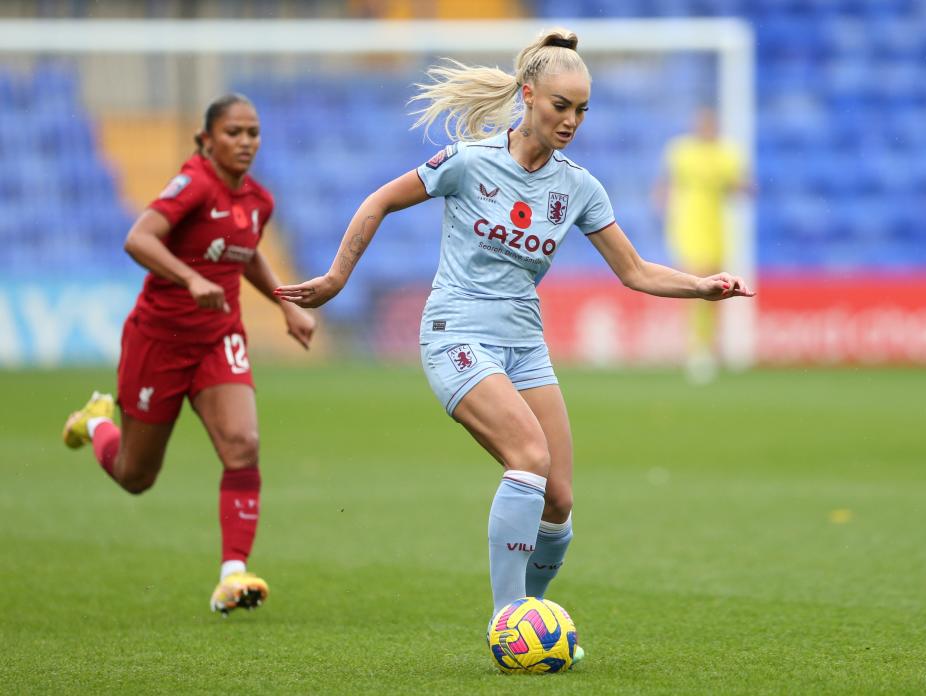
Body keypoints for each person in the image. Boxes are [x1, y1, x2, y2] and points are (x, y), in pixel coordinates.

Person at [275, 28, 753, 660]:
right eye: (561, 105)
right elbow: (380, 201)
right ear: (528, 95)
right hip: (456, 333)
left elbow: (634, 270)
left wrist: (701, 287)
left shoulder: (579, 186)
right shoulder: (469, 162)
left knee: (559, 501)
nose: (572, 121)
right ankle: (510, 624)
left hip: (524, 343)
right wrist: (337, 276)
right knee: (528, 455)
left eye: (583, 110)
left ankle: (532, 616)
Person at [62, 93, 316, 615]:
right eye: (233, 133)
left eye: (253, 133)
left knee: (243, 443)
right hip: (159, 341)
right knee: (136, 476)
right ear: (206, 140)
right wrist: (189, 276)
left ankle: (232, 574)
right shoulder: (193, 185)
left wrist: (286, 304)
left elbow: (245, 254)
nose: (245, 142)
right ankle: (96, 423)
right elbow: (139, 239)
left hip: (219, 339)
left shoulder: (258, 201)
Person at [652, 107, 753, 383]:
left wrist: (744, 187)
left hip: (717, 229)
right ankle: (697, 350)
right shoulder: (682, 151)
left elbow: (739, 187)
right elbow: (665, 183)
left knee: (719, 291)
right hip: (688, 227)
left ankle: (712, 346)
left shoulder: (727, 155)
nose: (706, 128)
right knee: (698, 286)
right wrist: (661, 203)